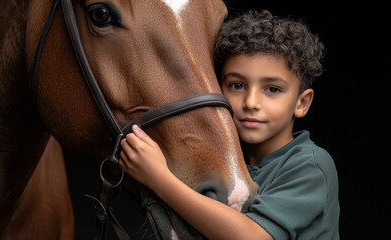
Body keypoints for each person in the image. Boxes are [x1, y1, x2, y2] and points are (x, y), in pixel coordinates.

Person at [119, 9, 339, 240]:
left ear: (302, 103)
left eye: (272, 89)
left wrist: (158, 179)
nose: (251, 102)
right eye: (237, 85)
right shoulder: (221, 161)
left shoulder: (310, 165)